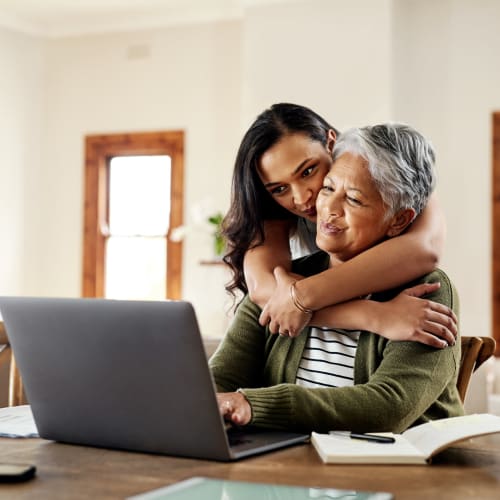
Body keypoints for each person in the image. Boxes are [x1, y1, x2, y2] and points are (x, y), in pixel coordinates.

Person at [211, 123, 464, 433]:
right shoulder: (285, 283)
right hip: (292, 470)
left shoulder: (430, 290)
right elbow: (219, 379)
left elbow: (389, 408)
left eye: (354, 200)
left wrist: (255, 405)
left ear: (399, 220)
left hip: (398, 474)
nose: (327, 208)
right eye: (328, 188)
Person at [222, 104, 456, 347]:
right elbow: (265, 289)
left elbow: (423, 249)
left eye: (308, 171)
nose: (302, 198)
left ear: (330, 143)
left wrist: (302, 296)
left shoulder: (389, 172)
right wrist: (373, 316)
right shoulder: (273, 211)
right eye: (280, 189)